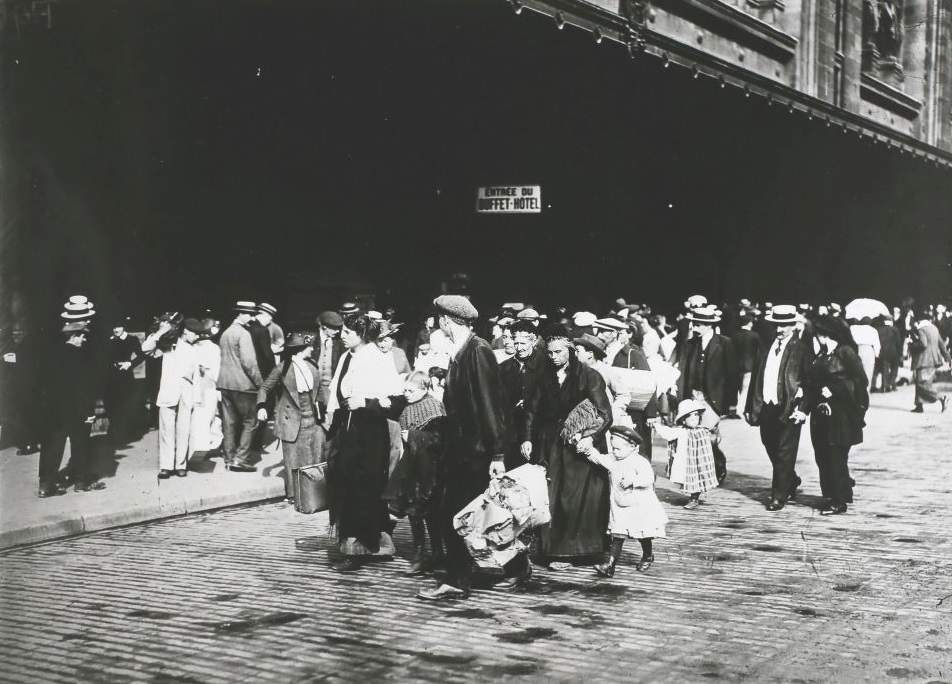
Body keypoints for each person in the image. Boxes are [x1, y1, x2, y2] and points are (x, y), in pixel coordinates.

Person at [417, 295, 509, 601]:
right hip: (461, 449)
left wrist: (496, 453)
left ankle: (458, 581)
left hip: (476, 451)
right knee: (470, 514)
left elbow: (490, 405)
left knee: (457, 514)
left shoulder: (477, 351)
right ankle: (513, 569)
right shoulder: (461, 351)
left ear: (445, 320)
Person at [523, 327, 613, 570]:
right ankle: (555, 551)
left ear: (571, 351)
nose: (553, 356)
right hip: (551, 444)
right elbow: (531, 411)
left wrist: (589, 438)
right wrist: (528, 438)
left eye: (559, 352)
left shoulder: (589, 376)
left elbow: (604, 413)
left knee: (578, 498)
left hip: (579, 445)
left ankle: (579, 551)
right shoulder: (543, 377)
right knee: (553, 496)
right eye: (550, 352)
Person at [324, 314, 405, 572]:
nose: (342, 335)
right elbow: (338, 392)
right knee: (347, 484)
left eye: (348, 331)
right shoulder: (348, 356)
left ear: (362, 334)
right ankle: (368, 543)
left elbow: (395, 401)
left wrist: (366, 404)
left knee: (365, 487)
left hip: (370, 434)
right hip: (348, 431)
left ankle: (362, 548)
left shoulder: (378, 359)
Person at [36, 296, 108, 497]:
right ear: (75, 335)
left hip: (53, 409)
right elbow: (85, 387)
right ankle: (81, 481)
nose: (84, 338)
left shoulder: (53, 350)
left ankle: (45, 484)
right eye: (82, 335)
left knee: (52, 445)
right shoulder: (83, 356)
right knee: (81, 443)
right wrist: (89, 412)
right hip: (77, 409)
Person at [744, 305, 813, 511]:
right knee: (770, 445)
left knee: (785, 452)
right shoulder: (766, 346)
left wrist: (803, 408)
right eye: (778, 325)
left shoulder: (801, 349)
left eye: (785, 325)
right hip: (767, 406)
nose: (780, 329)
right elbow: (757, 377)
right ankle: (790, 480)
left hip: (789, 408)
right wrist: (750, 406)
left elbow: (810, 382)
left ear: (793, 325)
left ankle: (778, 496)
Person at [800, 317, 869, 515]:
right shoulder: (823, 354)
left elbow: (860, 381)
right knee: (822, 455)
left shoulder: (845, 353)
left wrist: (836, 389)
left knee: (835, 456)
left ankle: (838, 501)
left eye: (822, 334)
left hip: (841, 414)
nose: (820, 338)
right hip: (821, 414)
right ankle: (838, 492)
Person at [383, 370, 448, 575]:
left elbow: (440, 439)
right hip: (412, 463)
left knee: (431, 510)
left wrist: (413, 435)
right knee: (414, 509)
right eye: (404, 390)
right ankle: (420, 552)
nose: (406, 394)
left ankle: (437, 552)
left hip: (431, 466)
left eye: (410, 390)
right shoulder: (407, 407)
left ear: (424, 389)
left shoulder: (433, 407)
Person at [580, 425, 667, 578]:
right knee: (617, 535)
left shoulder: (640, 462)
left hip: (639, 506)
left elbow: (649, 478)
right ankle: (610, 566)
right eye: (613, 448)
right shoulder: (614, 460)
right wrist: (586, 448)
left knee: (642, 533)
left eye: (618, 449)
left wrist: (633, 480)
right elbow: (598, 458)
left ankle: (647, 555)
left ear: (632, 447)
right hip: (620, 506)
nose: (614, 451)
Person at [256, 332, 325, 502]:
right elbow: (265, 388)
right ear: (301, 349)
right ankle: (294, 495)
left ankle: (313, 494)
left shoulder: (312, 366)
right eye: (309, 347)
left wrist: (325, 410)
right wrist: (261, 406)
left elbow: (320, 390)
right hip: (291, 419)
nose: (312, 350)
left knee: (314, 456)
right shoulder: (283, 367)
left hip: (312, 419)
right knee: (293, 459)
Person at [144, 317, 201, 478]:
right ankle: (166, 466)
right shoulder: (169, 346)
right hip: (169, 392)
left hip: (186, 394)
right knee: (166, 430)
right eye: (195, 334)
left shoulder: (194, 350)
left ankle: (180, 465)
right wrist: (160, 331)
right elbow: (146, 349)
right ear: (187, 332)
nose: (197, 337)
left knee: (184, 430)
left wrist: (196, 399)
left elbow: (196, 376)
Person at [218, 301, 264, 472]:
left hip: (225, 383)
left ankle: (229, 459)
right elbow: (249, 363)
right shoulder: (243, 334)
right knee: (251, 421)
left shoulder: (225, 333)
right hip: (243, 386)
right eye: (250, 315)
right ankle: (241, 459)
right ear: (241, 315)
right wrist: (261, 384)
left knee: (229, 423)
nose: (252, 318)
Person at [652, 399, 720, 509]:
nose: (694, 418)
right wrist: (656, 425)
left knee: (697, 477)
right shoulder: (681, 431)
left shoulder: (702, 431)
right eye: (690, 416)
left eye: (696, 415)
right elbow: (668, 433)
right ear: (683, 420)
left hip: (698, 462)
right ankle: (693, 496)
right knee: (686, 477)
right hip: (686, 460)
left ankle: (694, 498)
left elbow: (712, 426)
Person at [498, 319, 547, 471]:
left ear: (533, 341)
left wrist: (531, 402)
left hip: (539, 431)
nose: (519, 348)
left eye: (523, 343)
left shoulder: (546, 365)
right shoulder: (504, 368)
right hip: (511, 431)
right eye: (516, 343)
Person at [1, 324, 41, 454]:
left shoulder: (28, 348)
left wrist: (15, 361)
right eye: (14, 333)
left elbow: (30, 366)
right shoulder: (13, 347)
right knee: (21, 417)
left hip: (27, 388)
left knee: (27, 417)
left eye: (19, 333)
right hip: (18, 389)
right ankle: (26, 442)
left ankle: (30, 443)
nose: (16, 336)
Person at [104, 317, 142, 445]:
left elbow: (141, 355)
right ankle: (115, 432)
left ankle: (120, 436)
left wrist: (130, 363)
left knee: (124, 404)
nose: (116, 330)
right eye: (114, 328)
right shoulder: (109, 340)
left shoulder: (131, 339)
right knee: (110, 404)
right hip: (111, 377)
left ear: (124, 327)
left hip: (125, 376)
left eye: (118, 327)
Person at [190, 318, 222, 456]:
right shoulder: (214, 348)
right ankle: (210, 443)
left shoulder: (194, 347)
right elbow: (217, 371)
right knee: (210, 415)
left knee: (202, 416)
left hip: (201, 386)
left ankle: (205, 444)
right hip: (209, 386)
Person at [909, 309, 950, 413]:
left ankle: (942, 397)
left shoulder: (921, 329)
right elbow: (941, 344)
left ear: (919, 321)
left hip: (924, 360)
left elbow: (923, 344)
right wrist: (947, 357)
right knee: (921, 382)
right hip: (933, 360)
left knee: (922, 383)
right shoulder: (934, 328)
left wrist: (912, 345)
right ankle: (919, 406)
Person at [850, 317, 881, 392]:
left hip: (857, 349)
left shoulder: (854, 328)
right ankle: (866, 393)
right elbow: (877, 344)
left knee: (856, 373)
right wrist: (877, 354)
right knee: (868, 373)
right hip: (868, 350)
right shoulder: (873, 330)